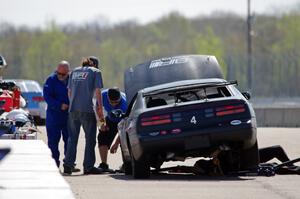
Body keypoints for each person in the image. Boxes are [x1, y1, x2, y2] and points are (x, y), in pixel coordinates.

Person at [63, 56, 105, 175]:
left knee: (72, 138)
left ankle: (68, 165)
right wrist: (100, 109)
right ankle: (88, 166)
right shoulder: (96, 72)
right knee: (90, 139)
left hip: (72, 110)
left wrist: (73, 104)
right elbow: (98, 91)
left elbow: (69, 91)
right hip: (87, 109)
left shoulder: (74, 72)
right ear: (95, 65)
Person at [43, 61, 79, 172]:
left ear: (68, 72)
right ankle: (54, 165)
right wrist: (59, 105)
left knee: (70, 141)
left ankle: (69, 164)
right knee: (53, 142)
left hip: (68, 116)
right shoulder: (51, 80)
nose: (60, 76)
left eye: (63, 74)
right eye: (58, 73)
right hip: (54, 115)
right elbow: (47, 97)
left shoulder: (73, 80)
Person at [98, 87, 127, 172]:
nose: (114, 104)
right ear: (107, 98)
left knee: (124, 140)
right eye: (111, 102)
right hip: (111, 119)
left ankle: (126, 164)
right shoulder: (102, 95)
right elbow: (98, 109)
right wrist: (102, 123)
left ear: (120, 99)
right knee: (102, 136)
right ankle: (104, 165)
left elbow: (124, 127)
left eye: (116, 102)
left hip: (123, 121)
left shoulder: (125, 104)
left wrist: (116, 144)